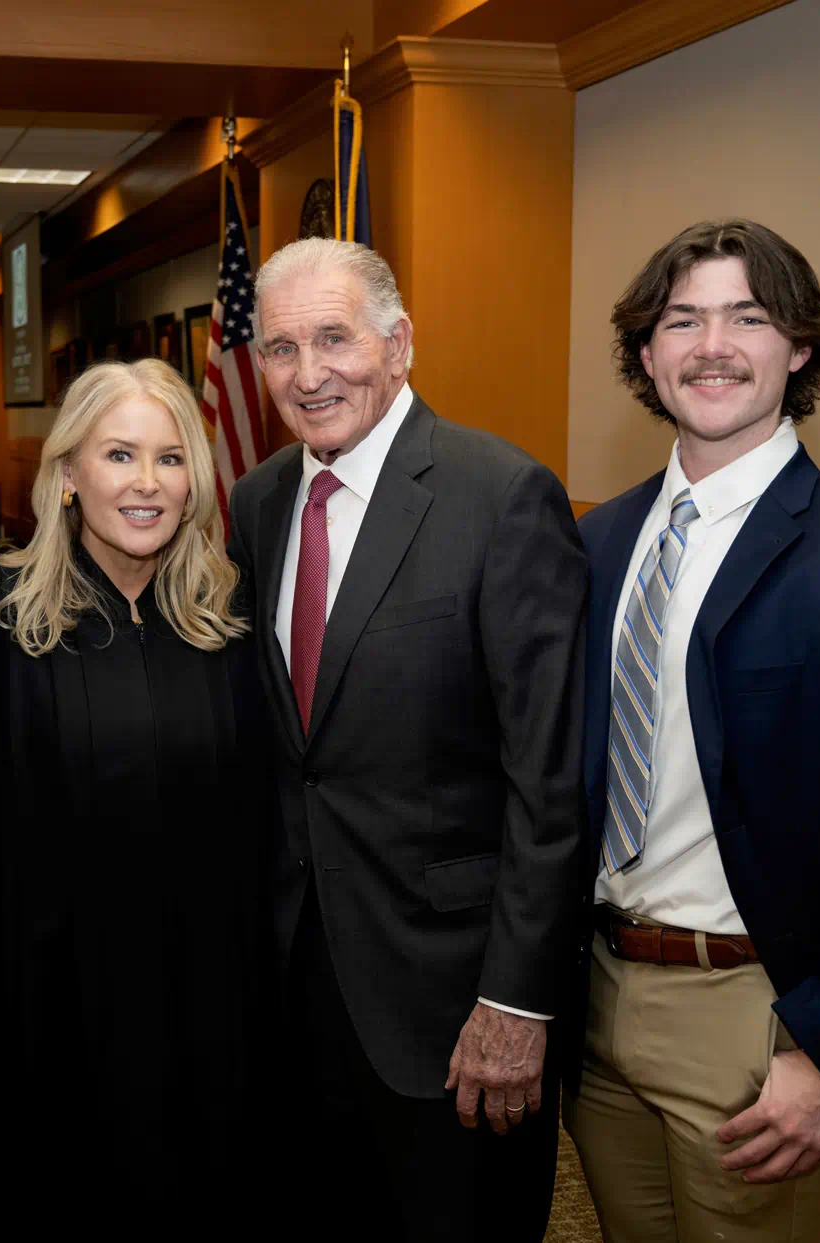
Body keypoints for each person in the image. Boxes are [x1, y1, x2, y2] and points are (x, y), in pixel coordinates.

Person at [565, 219, 820, 1243]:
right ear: (646, 352)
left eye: (747, 316)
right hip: (594, 994)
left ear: (797, 348)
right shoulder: (592, 542)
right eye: (681, 319)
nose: (712, 345)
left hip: (751, 1018)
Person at [227, 238, 589, 1239]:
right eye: (280, 348)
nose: (308, 374)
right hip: (296, 995)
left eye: (334, 339)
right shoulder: (256, 504)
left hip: (453, 1009)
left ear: (398, 343)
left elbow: (548, 781)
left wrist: (517, 1001)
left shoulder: (499, 496)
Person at [0, 358, 272, 1235]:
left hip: (213, 1017)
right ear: (67, 474)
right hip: (58, 1024)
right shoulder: (1, 623)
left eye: (171, 458)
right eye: (119, 455)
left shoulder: (232, 621)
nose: (147, 483)